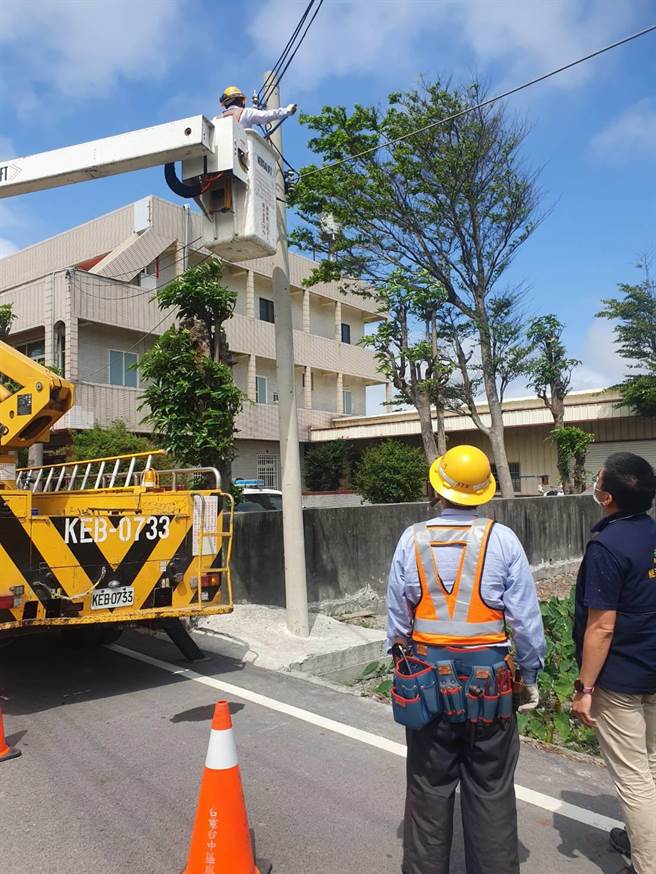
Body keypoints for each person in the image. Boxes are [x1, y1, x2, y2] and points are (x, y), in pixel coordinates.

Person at [387, 444, 545, 874]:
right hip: (489, 687)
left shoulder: (412, 538)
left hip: (426, 685)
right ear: (483, 492)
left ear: (439, 488)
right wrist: (528, 675)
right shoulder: (502, 539)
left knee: (428, 786)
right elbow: (527, 623)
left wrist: (401, 657)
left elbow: (398, 618)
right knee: (490, 788)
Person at [571, 452, 656, 874]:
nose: (594, 482)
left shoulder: (607, 545)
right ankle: (645, 836)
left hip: (622, 676)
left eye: (598, 478)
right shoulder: (652, 534)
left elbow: (601, 627)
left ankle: (646, 863)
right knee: (653, 764)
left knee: (634, 778)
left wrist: (585, 689)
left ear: (607, 497)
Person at [218, 86, 297, 130]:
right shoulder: (246, 112)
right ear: (240, 99)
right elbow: (266, 115)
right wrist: (287, 111)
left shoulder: (217, 119)